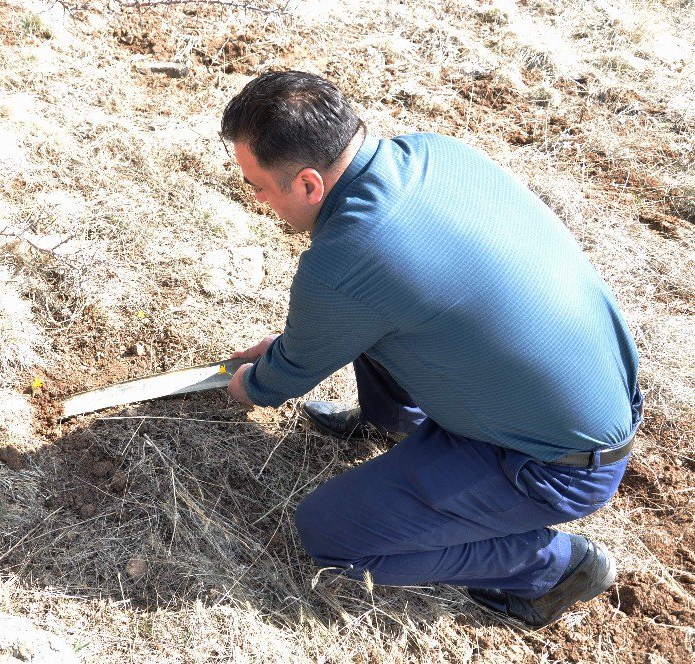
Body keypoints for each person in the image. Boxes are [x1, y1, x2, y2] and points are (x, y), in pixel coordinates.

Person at [220, 71, 643, 628]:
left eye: (257, 185)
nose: (254, 198)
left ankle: (554, 568)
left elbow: (285, 375)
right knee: (388, 313)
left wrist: (250, 384)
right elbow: (355, 314)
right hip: (596, 398)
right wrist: (301, 343)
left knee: (331, 534)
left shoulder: (346, 259)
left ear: (307, 184)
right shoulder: (432, 152)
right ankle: (390, 420)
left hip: (552, 464)